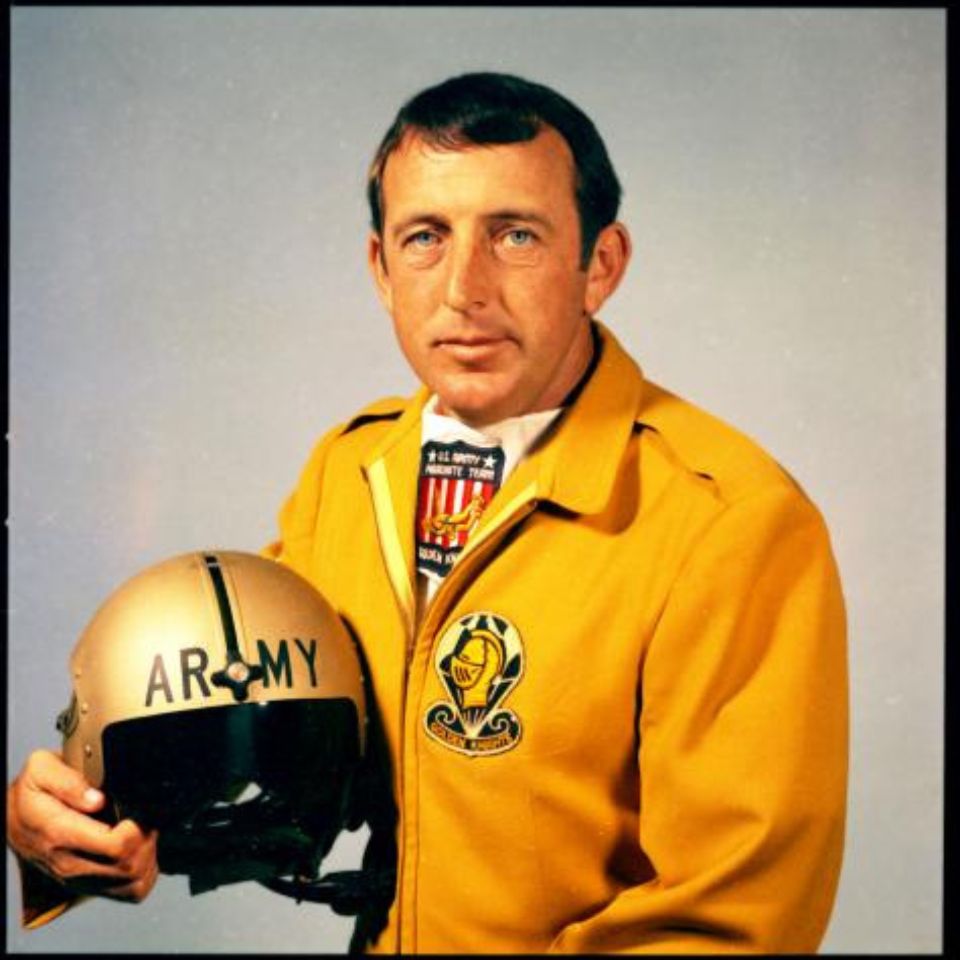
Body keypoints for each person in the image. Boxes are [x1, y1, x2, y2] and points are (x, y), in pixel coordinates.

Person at [7, 72, 848, 953]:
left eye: (515, 235)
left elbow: (730, 923)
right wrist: (72, 829)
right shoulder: (350, 469)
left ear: (600, 263)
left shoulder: (731, 521)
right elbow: (275, 754)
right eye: (425, 238)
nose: (463, 289)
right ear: (380, 268)